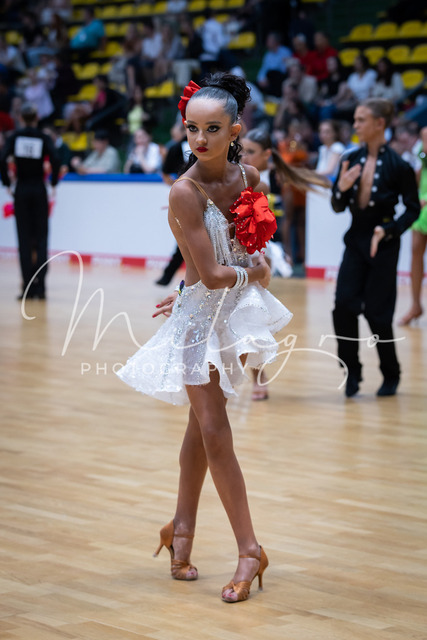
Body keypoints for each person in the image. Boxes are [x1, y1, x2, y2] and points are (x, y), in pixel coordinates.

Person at [116, 72, 323, 603]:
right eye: (192, 128)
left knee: (200, 428)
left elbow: (251, 249)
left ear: (235, 130)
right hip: (199, 320)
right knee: (214, 428)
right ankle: (250, 549)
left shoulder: (250, 176)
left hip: (233, 317)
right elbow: (210, 273)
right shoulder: (183, 191)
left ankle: (180, 530)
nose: (200, 139)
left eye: (212, 129)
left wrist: (254, 267)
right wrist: (253, 274)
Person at [331, 98, 420, 398]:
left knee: (378, 314)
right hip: (355, 239)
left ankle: (391, 372)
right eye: (355, 119)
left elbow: (412, 209)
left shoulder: (400, 166)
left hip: (384, 243)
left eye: (361, 120)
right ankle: (351, 370)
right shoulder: (350, 159)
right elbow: (337, 205)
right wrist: (341, 188)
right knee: (343, 306)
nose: (355, 125)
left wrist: (389, 229)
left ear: (380, 123)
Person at [0, 103, 60, 299]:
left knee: (24, 240)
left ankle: (27, 287)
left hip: (22, 190)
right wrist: (54, 182)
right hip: (39, 189)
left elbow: (2, 158)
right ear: (36, 118)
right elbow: (56, 159)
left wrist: (7, 182)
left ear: (20, 118)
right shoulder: (42, 137)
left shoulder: (15, 137)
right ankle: (41, 288)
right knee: (41, 239)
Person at [399, 126, 427, 326]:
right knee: (416, 250)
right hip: (423, 200)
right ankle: (415, 305)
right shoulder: (424, 134)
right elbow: (420, 170)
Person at [256, 31, 292, 97]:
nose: (266, 42)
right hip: (269, 79)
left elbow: (285, 69)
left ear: (275, 41)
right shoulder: (268, 55)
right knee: (255, 83)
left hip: (280, 78)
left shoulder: (285, 52)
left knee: (273, 73)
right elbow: (264, 68)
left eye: (268, 40)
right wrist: (261, 79)